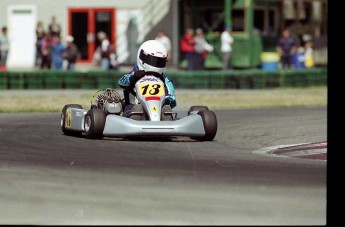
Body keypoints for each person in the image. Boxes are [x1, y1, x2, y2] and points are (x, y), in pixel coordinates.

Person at [118, 40, 176, 118]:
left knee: (166, 110)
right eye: (154, 61)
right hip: (134, 105)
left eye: (160, 62)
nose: (156, 64)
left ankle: (165, 116)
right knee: (133, 109)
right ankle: (136, 116)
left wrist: (162, 99)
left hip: (158, 108)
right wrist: (134, 78)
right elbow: (121, 82)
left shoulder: (164, 80)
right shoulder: (134, 74)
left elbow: (172, 98)